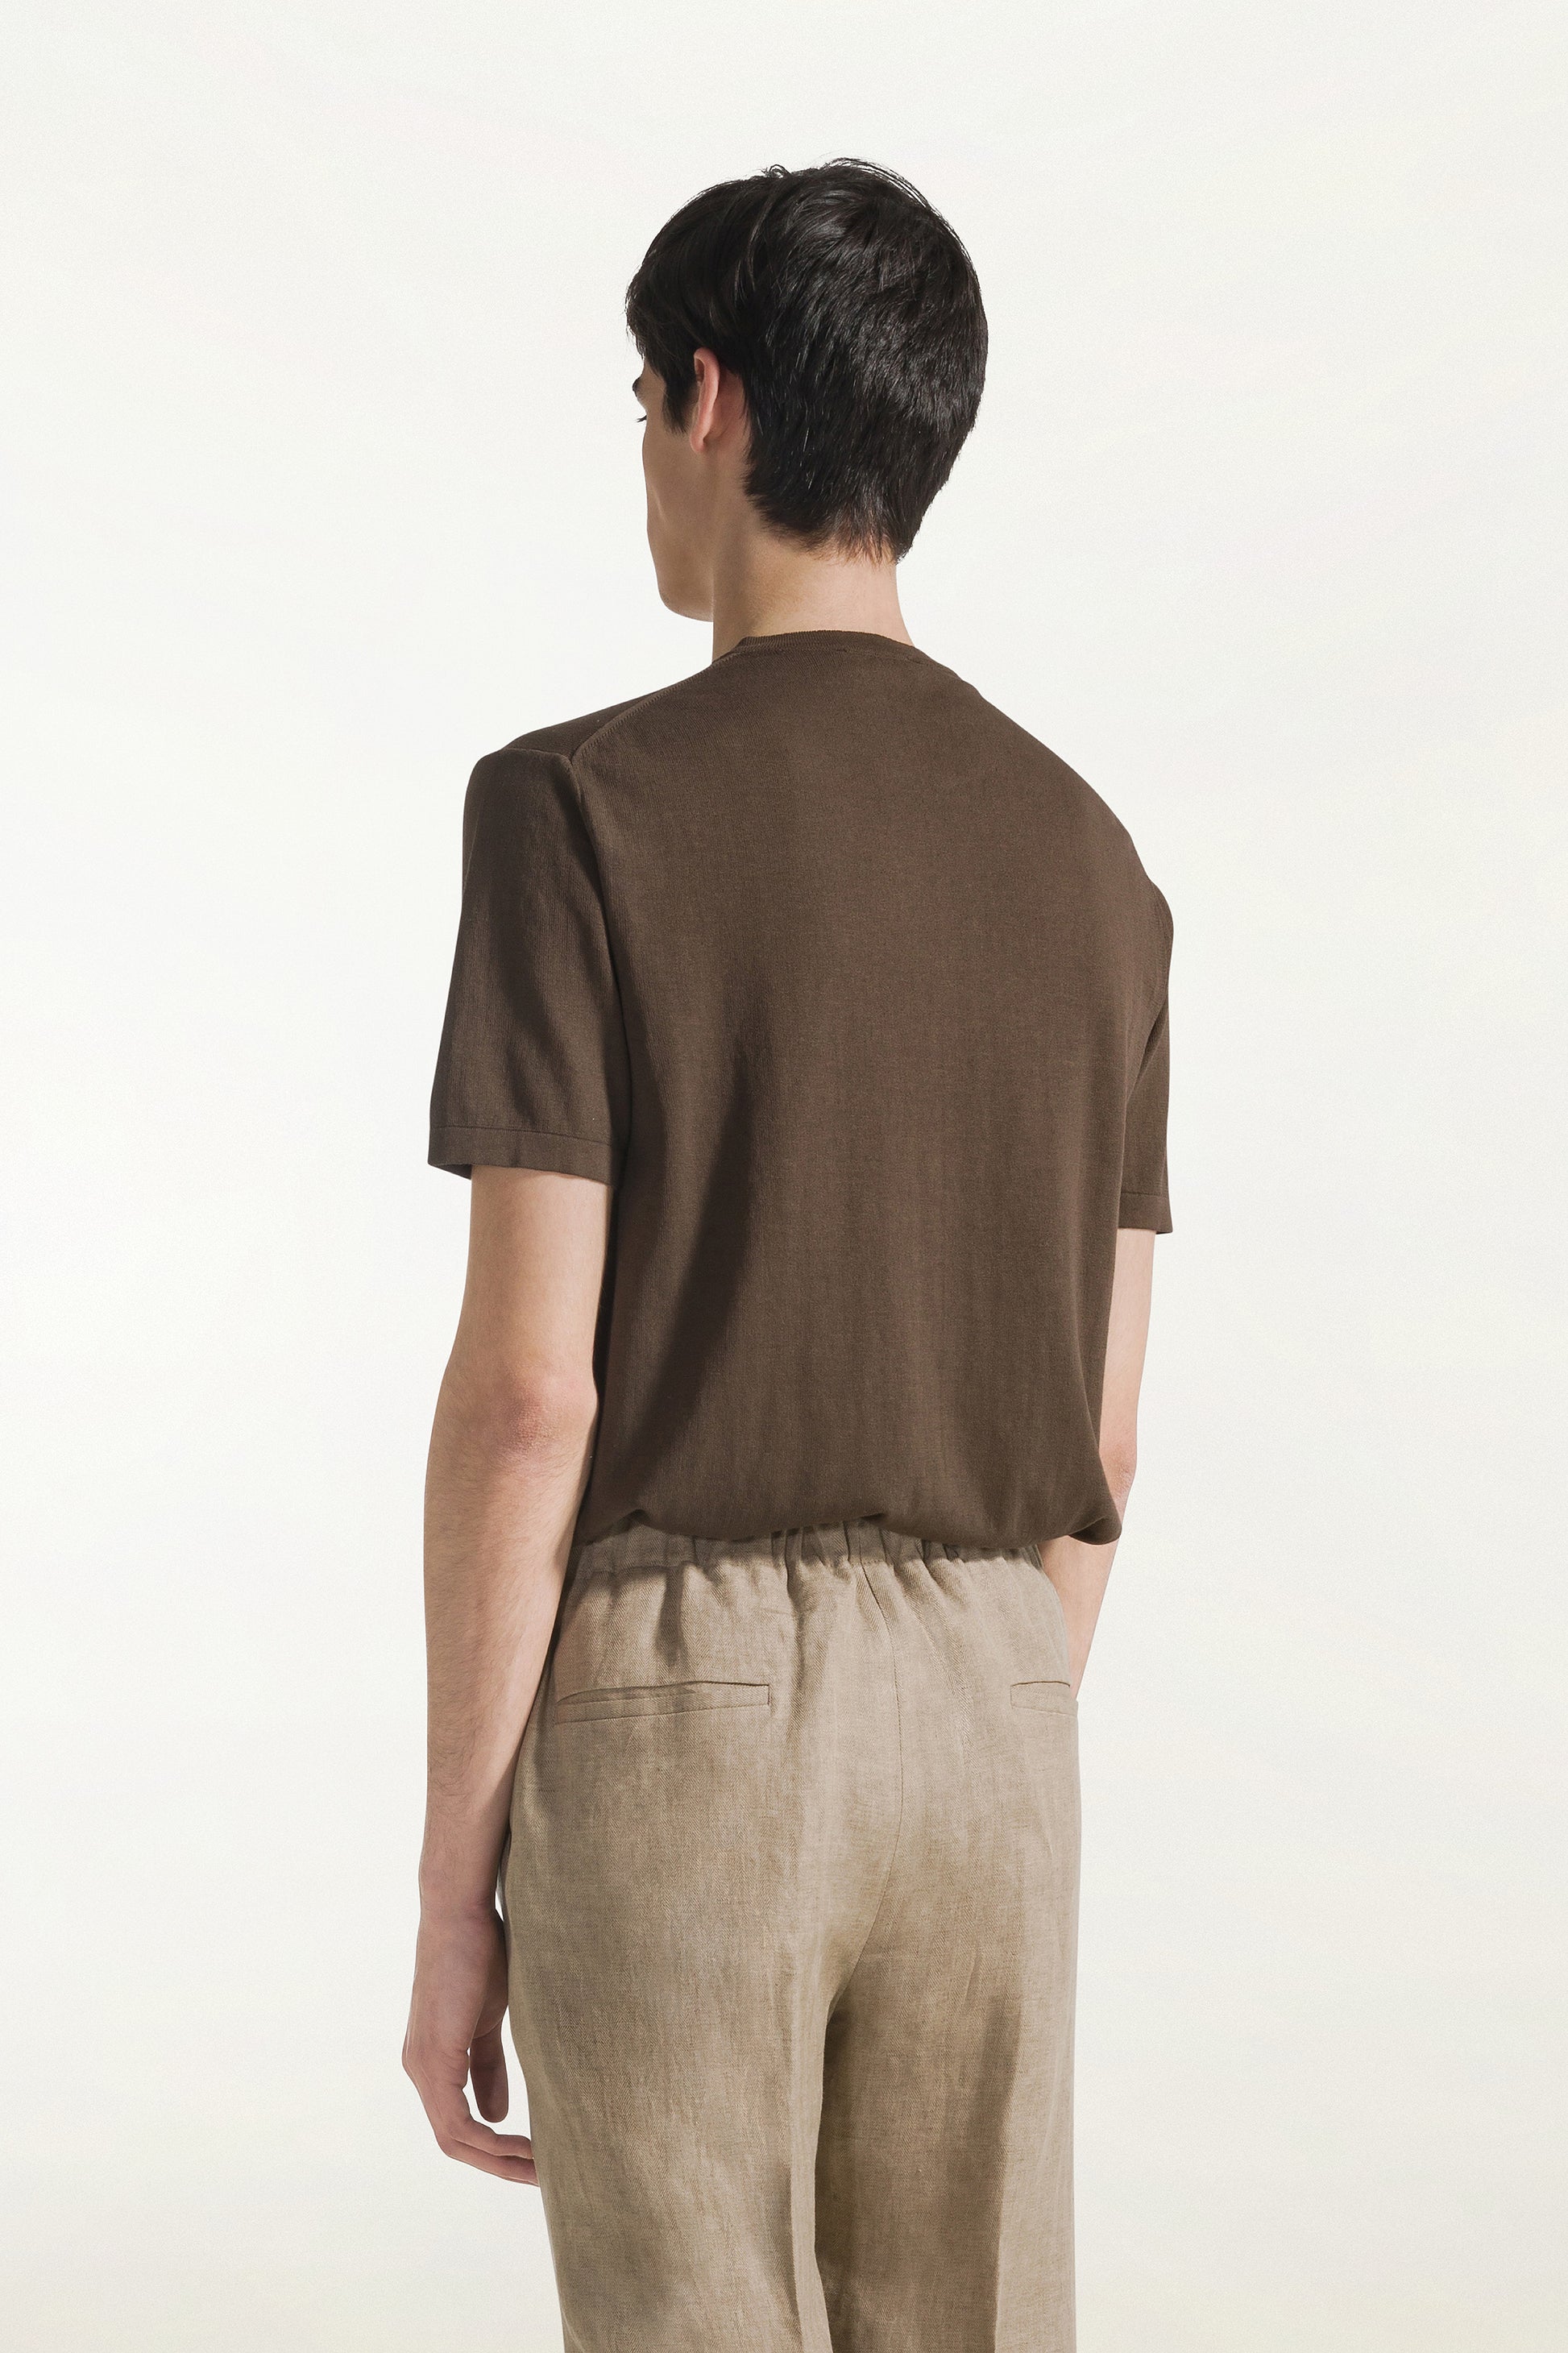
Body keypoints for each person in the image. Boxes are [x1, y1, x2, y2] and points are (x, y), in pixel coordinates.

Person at [403, 159, 1172, 2353]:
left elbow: (530, 1393)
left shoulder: (575, 810)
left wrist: (458, 1880)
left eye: (641, 402)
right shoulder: (1096, 862)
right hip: (1004, 1695)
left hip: (688, 1708)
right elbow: (1104, 1431)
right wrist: (974, 1700)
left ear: (708, 398)